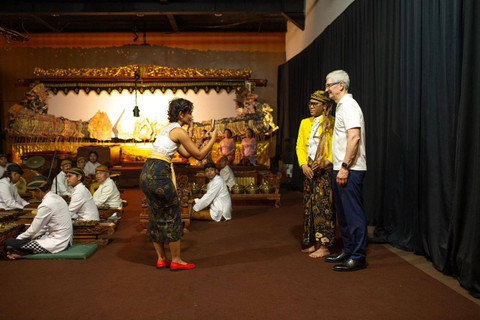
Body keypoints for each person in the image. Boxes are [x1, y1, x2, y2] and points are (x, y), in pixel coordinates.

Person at [139, 98, 218, 271]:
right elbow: (198, 156)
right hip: (159, 173)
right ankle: (176, 260)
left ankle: (161, 258)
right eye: (189, 112)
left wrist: (201, 141)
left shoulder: (167, 129)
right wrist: (213, 139)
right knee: (173, 214)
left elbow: (186, 153)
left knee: (156, 214)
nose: (191, 116)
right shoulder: (179, 131)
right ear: (181, 114)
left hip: (147, 172)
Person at [324, 70, 368, 272]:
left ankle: (358, 257)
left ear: (341, 85)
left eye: (329, 85)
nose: (327, 90)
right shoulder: (340, 107)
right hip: (341, 168)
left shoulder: (349, 106)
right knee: (342, 213)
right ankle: (349, 249)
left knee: (353, 214)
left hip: (349, 169)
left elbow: (354, 138)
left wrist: (344, 167)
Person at [296, 90, 336, 259]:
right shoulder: (305, 123)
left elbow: (336, 146)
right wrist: (303, 164)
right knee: (310, 207)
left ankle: (325, 245)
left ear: (325, 106)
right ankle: (314, 241)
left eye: (315, 104)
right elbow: (300, 146)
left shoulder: (332, 123)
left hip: (324, 172)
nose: (311, 107)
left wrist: (327, 161)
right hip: (309, 171)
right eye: (310, 104)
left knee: (323, 208)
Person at [3, 176, 73, 260]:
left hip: (58, 243)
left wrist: (18, 239)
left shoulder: (46, 204)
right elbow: (43, 228)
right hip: (66, 241)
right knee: (29, 237)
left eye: (31, 192)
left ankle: (19, 252)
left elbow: (33, 229)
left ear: (38, 190)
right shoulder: (57, 197)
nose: (32, 195)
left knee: (9, 242)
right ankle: (20, 252)